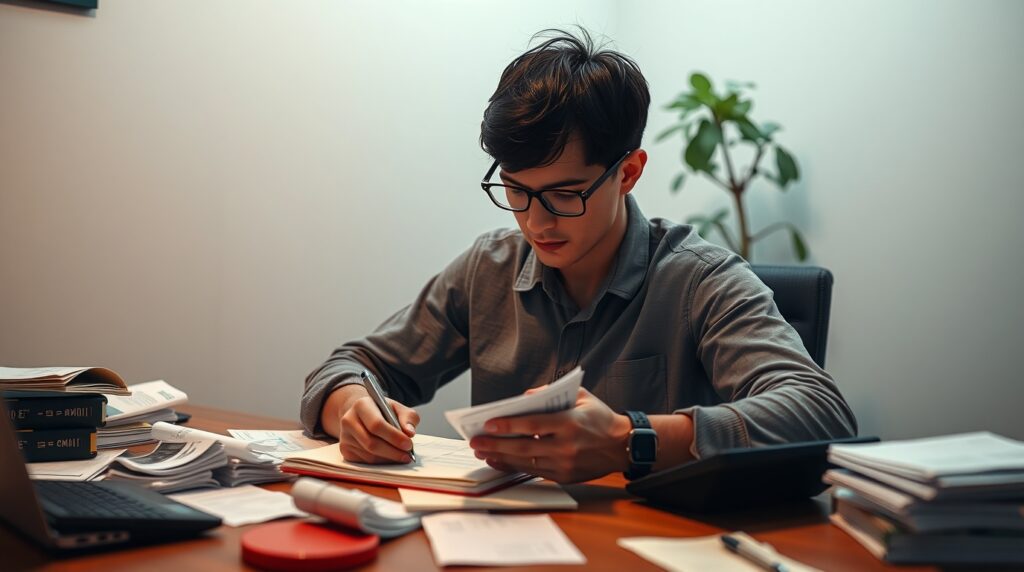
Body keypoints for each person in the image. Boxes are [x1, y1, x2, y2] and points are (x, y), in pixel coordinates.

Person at [300, 28, 857, 484]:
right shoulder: (488, 268)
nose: (536, 223)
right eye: (516, 190)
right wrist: (352, 407)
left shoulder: (700, 282)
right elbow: (350, 366)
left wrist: (631, 438)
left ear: (628, 173)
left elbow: (822, 413)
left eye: (565, 195)